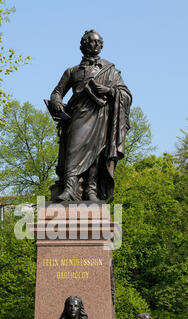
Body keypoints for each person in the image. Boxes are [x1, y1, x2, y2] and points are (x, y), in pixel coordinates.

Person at [49, 30, 132, 202]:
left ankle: (91, 190)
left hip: (101, 117)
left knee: (96, 154)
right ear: (84, 45)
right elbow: (57, 92)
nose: (96, 45)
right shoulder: (72, 72)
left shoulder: (111, 70)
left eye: (99, 42)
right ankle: (69, 189)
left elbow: (126, 94)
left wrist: (109, 90)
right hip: (77, 117)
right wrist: (56, 101)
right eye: (92, 42)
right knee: (72, 151)